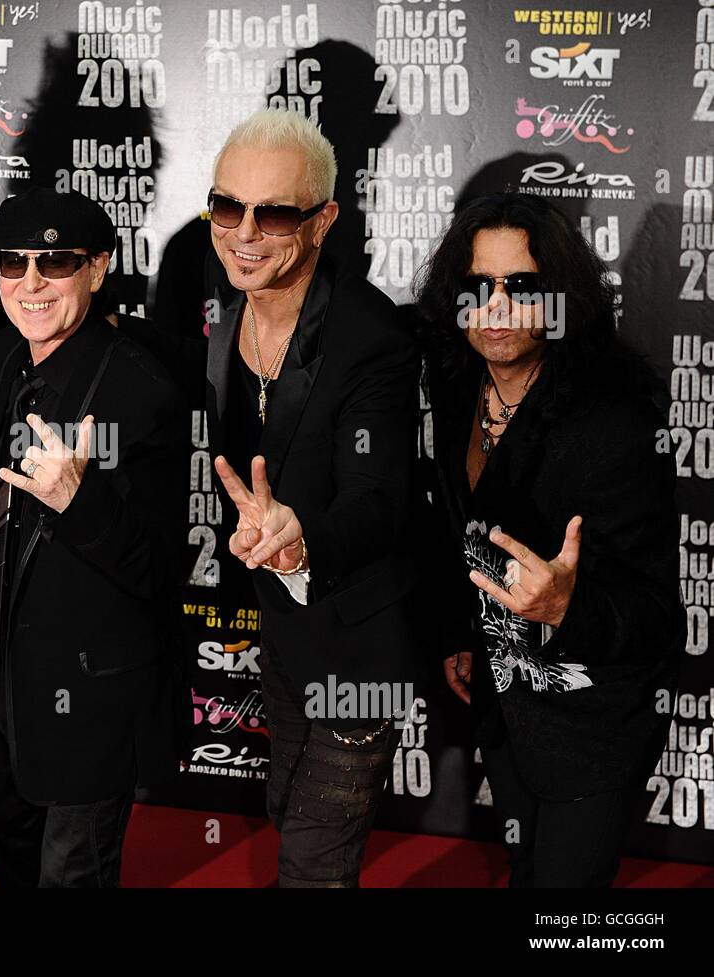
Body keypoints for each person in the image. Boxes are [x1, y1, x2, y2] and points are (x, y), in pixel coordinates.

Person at [416, 191, 682, 887]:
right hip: (510, 708)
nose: (496, 306)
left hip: (597, 722)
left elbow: (656, 616)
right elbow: (458, 527)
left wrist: (568, 606)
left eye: (523, 286)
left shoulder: (614, 422)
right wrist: (462, 632)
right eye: (478, 286)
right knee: (526, 869)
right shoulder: (455, 386)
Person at [204, 108, 421, 887]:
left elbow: (378, 499)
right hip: (286, 633)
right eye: (228, 206)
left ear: (324, 220)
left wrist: (303, 541)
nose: (245, 232)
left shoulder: (372, 338)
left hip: (362, 646)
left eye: (276, 212)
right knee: (287, 816)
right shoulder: (225, 318)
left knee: (312, 865)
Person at [0, 188, 184, 887]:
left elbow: (160, 570)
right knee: (11, 858)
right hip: (4, 696)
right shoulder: (4, 356)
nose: (30, 282)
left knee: (71, 875)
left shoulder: (141, 387)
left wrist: (77, 500)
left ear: (97, 268)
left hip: (90, 705)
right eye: (13, 261)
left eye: (55, 262)